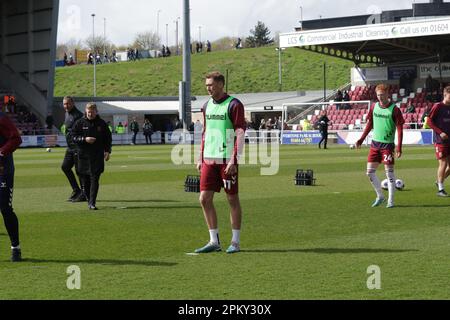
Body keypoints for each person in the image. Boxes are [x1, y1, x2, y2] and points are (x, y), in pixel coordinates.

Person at [195, 71, 246, 254]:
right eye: (207, 85)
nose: (208, 88)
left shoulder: (234, 104)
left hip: (226, 159)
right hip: (209, 159)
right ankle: (213, 240)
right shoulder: (206, 105)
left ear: (221, 85)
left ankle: (235, 242)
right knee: (204, 198)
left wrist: (234, 158)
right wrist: (200, 156)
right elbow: (205, 132)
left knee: (232, 198)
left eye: (212, 85)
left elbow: (240, 132)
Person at [356, 84, 405, 208]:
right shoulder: (374, 107)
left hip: (387, 146)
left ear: (388, 94)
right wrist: (361, 139)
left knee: (389, 173)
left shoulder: (394, 109)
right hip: (375, 144)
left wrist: (399, 147)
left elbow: (400, 129)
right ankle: (380, 196)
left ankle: (391, 201)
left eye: (382, 95)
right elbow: (370, 124)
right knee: (369, 172)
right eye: (378, 95)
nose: (380, 97)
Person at [72, 103, 112, 210]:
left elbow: (108, 138)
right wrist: (85, 139)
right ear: (86, 111)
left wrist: (108, 151)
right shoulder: (79, 123)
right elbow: (73, 137)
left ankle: (92, 203)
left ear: (96, 111)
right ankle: (89, 199)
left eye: (92, 111)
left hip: (97, 156)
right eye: (88, 111)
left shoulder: (102, 123)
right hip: (83, 157)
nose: (90, 113)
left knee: (95, 179)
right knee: (85, 181)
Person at [0, 110, 22, 262]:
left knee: (5, 208)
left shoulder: (1, 118)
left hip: (2, 171)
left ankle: (16, 248)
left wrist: (1, 152)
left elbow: (16, 138)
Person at [426, 85, 450, 197]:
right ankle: (440, 189)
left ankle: (439, 181)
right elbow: (429, 121)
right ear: (445, 94)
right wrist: (440, 132)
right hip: (441, 140)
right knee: (443, 163)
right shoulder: (438, 106)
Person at [61, 96, 85, 202]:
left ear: (73, 103)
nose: (66, 106)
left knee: (79, 171)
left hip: (77, 147)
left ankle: (84, 193)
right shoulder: (67, 113)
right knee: (65, 167)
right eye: (64, 104)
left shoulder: (78, 115)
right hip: (70, 147)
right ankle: (76, 190)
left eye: (68, 104)